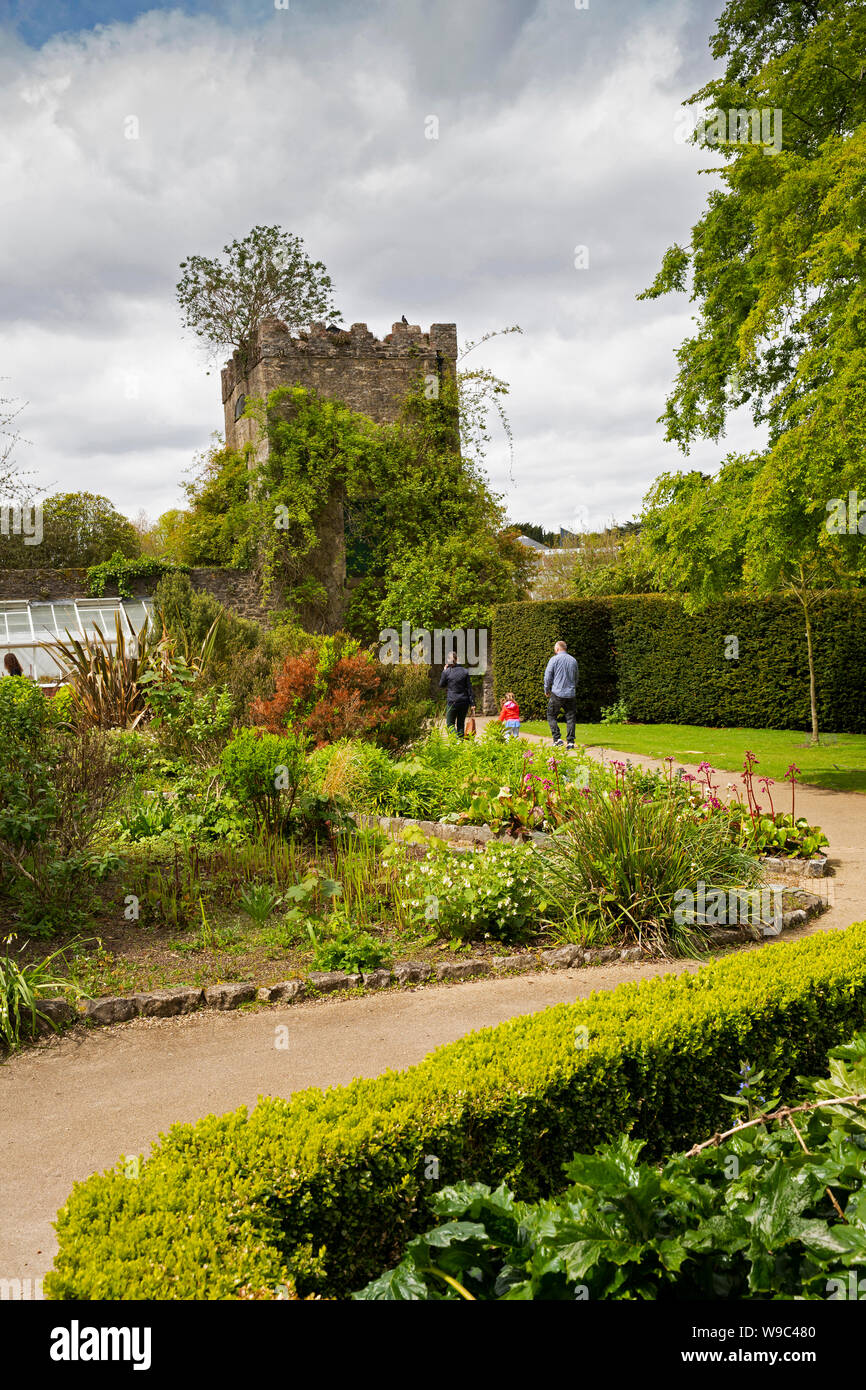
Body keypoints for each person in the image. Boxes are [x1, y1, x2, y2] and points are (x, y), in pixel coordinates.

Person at [543, 640, 578, 749]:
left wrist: (546, 689)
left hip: (557, 693)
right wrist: (572, 688)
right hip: (571, 694)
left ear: (557, 649)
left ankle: (557, 739)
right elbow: (576, 677)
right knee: (571, 717)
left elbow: (548, 676)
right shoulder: (573, 660)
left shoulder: (554, 659)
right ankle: (571, 742)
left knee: (551, 715)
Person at [438, 651, 475, 738]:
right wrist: (472, 703)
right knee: (460, 724)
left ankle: (456, 740)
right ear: (457, 659)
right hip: (464, 701)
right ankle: (460, 745)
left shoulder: (446, 672)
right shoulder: (465, 671)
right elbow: (469, 688)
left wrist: (444, 671)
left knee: (450, 724)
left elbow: (441, 685)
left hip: (452, 701)